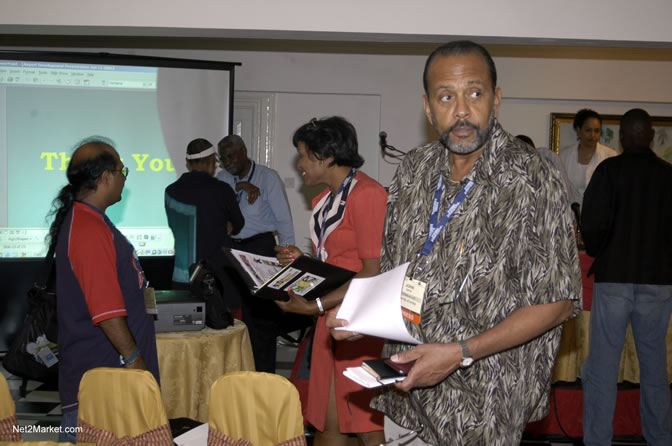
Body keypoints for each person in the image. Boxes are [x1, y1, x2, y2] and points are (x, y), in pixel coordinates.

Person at [329, 41, 582, 445]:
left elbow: (559, 302)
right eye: (447, 96)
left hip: (483, 406)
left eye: (475, 94)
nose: (461, 111)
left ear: (495, 100)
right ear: (428, 107)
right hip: (406, 391)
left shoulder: (533, 178)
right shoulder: (413, 169)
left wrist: (459, 352)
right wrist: (361, 317)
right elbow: (398, 272)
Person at [275, 116, 387, 445]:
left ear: (326, 156)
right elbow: (335, 262)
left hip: (358, 323)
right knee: (329, 422)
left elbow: (372, 271)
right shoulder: (325, 200)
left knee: (366, 425)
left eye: (304, 154)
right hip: (331, 319)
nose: (300, 163)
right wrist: (302, 260)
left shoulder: (367, 193)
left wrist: (315, 305)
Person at [48, 137, 160, 442]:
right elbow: (107, 313)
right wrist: (135, 360)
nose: (125, 177)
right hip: (104, 384)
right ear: (106, 178)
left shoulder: (92, 221)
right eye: (123, 170)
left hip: (107, 380)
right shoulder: (88, 230)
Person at [581, 108, 672, 446]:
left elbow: (591, 225)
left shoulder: (608, 171)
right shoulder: (668, 175)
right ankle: (661, 439)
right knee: (654, 370)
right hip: (658, 282)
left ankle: (597, 441)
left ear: (620, 137)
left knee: (603, 370)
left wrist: (602, 249)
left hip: (615, 277)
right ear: (651, 137)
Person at [216, 134, 297, 373]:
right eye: (223, 158)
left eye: (231, 156)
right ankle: (236, 375)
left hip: (260, 247)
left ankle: (263, 377)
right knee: (233, 316)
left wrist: (288, 261)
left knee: (261, 319)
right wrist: (237, 186)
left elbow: (284, 221)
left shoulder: (267, 178)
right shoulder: (223, 179)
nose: (228, 161)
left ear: (244, 151)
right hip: (232, 251)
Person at [165, 138, 244, 296]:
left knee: (185, 320)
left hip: (183, 275)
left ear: (188, 162)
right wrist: (226, 224)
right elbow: (239, 223)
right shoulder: (222, 190)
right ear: (211, 161)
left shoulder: (170, 191)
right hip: (218, 276)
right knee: (222, 320)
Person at [558, 108, 617, 207]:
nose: (593, 135)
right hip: (571, 215)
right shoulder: (564, 156)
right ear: (578, 130)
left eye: (597, 131)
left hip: (601, 215)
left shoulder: (610, 155)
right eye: (588, 130)